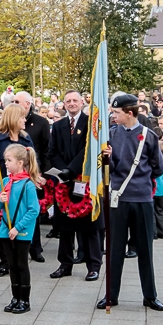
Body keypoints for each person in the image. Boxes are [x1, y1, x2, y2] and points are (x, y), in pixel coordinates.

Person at [97, 94, 163, 310]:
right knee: (115, 249)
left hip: (142, 199)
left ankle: (150, 295)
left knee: (145, 248)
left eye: (116, 113)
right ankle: (111, 295)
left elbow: (159, 168)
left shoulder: (148, 136)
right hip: (118, 198)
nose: (113, 116)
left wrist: (141, 178)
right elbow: (106, 170)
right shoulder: (110, 135)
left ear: (129, 113)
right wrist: (107, 159)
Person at [48, 90, 103, 281]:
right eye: (68, 101)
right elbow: (52, 152)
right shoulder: (58, 125)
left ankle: (93, 265)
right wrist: (63, 172)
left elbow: (88, 151)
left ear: (82, 102)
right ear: (63, 104)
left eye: (74, 100)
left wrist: (71, 170)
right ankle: (65, 264)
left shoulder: (90, 124)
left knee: (89, 228)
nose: (71, 103)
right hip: (64, 182)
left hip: (85, 180)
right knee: (65, 227)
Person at [0, 104, 34, 277]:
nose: (24, 120)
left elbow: (32, 163)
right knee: (4, 223)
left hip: (21, 188)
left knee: (20, 218)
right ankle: (5, 261)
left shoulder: (26, 140)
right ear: (12, 118)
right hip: (3, 186)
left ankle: (23, 256)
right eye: (21, 117)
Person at [0, 144, 41, 314]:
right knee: (11, 265)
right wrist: (1, 198)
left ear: (21, 163)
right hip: (5, 229)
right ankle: (15, 297)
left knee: (22, 264)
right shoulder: (5, 182)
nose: (5, 163)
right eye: (5, 160)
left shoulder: (27, 184)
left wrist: (18, 227)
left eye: (9, 160)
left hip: (21, 231)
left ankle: (24, 299)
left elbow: (33, 210)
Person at [13, 91, 51, 262]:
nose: (13, 103)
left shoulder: (41, 122)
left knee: (31, 211)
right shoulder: (9, 122)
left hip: (32, 176)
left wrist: (41, 172)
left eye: (17, 101)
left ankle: (35, 248)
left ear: (27, 104)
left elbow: (45, 150)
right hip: (13, 178)